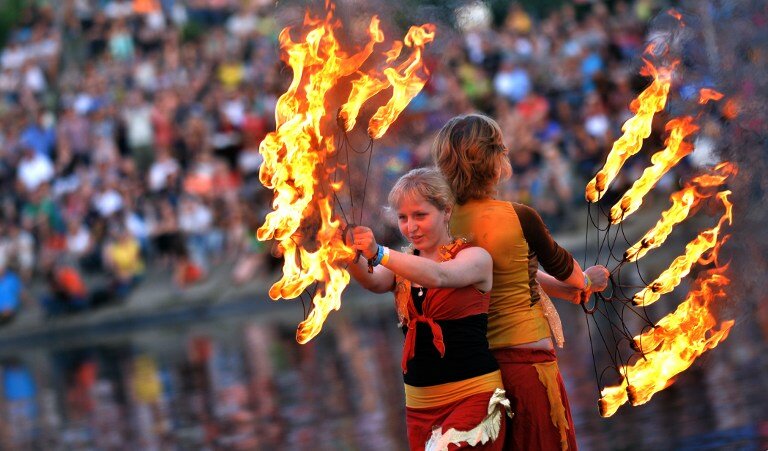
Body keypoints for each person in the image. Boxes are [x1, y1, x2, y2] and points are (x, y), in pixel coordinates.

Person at [431, 113, 609, 451]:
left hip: (475, 377)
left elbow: (506, 271)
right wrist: (587, 280)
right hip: (527, 369)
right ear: (496, 162)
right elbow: (562, 266)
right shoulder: (519, 216)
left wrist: (567, 292)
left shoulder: (443, 223)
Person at [347, 167, 510, 450]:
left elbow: (438, 276)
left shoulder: (475, 257)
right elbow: (373, 282)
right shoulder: (403, 265)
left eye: (420, 215)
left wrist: (379, 253)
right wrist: (347, 252)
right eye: (402, 218)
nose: (410, 227)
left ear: (446, 211)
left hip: (474, 396)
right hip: (420, 407)